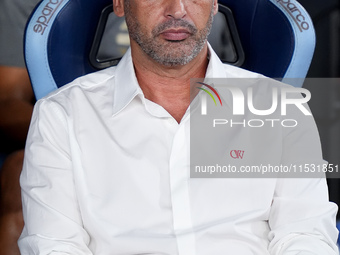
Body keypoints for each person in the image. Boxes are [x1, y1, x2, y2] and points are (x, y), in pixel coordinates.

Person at [18, 0, 339, 254]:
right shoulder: (62, 115)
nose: (177, 10)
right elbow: (54, 246)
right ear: (119, 3)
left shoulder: (281, 108)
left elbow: (305, 236)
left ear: (214, 2)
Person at [0, 0, 40, 254]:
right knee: (24, 171)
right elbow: (6, 103)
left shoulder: (173, 9)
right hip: (72, 139)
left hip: (179, 131)